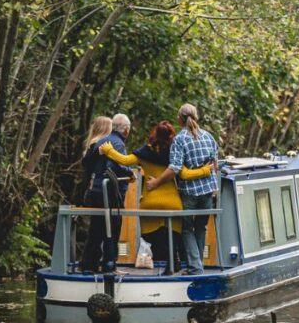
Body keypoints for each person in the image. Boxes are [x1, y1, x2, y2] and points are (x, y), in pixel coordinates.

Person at [98, 121, 212, 272]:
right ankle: (173, 260)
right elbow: (185, 174)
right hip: (173, 203)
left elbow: (125, 160)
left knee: (150, 235)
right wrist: (205, 170)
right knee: (173, 234)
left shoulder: (146, 152)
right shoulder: (175, 152)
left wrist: (108, 150)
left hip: (150, 202)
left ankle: (171, 260)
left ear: (154, 134)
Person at [147, 104, 218, 275]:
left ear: (179, 119)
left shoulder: (180, 139)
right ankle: (197, 266)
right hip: (208, 191)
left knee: (187, 229)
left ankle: (196, 268)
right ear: (196, 116)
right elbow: (215, 165)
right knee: (201, 227)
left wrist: (156, 183)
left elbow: (174, 168)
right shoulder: (209, 137)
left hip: (189, 192)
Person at [80, 113, 133, 271]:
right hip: (110, 193)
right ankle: (109, 264)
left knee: (96, 228)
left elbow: (87, 164)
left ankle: (88, 264)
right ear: (126, 130)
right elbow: (113, 166)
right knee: (113, 228)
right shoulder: (118, 144)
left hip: (96, 191)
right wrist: (130, 172)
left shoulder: (100, 142)